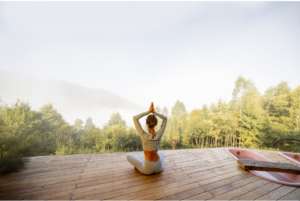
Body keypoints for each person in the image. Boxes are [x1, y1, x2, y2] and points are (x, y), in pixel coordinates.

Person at [127, 102, 167, 175]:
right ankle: (142, 163)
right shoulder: (159, 134)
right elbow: (165, 118)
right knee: (162, 153)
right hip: (159, 167)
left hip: (147, 169)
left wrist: (148, 112)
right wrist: (154, 112)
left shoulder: (143, 135)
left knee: (129, 156)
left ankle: (140, 165)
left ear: (147, 124)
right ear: (155, 123)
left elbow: (135, 118)